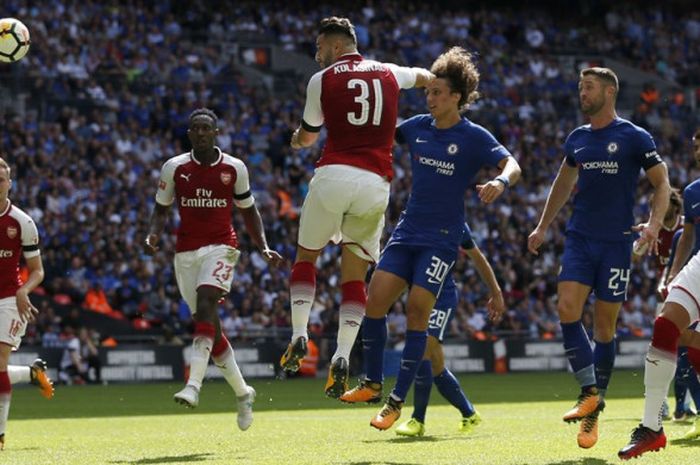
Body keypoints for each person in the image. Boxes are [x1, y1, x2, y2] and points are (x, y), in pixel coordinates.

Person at [340, 46, 520, 431]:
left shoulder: (473, 136)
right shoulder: (417, 126)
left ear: (456, 96)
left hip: (441, 239)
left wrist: (500, 181)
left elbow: (512, 164)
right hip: (406, 232)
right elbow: (377, 133)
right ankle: (372, 383)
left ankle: (396, 403)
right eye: (428, 92)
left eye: (438, 92)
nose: (431, 98)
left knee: (417, 312)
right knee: (374, 302)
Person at [279, 16, 435, 399]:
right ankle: (343, 355)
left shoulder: (322, 80)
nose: (317, 55)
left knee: (307, 256)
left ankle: (300, 333)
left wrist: (297, 141)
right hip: (375, 184)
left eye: (319, 47)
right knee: (354, 277)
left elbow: (310, 134)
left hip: (334, 175)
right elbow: (427, 77)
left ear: (335, 45)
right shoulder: (389, 72)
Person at [527, 67, 671, 449]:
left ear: (609, 92)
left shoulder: (634, 136)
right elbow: (563, 182)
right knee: (567, 308)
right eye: (580, 86)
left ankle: (591, 416)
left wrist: (655, 225)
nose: (582, 92)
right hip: (579, 238)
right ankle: (589, 391)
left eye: (588, 87)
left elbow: (662, 182)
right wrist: (543, 226)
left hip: (616, 244)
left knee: (604, 328)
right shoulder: (577, 139)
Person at [145, 108, 283, 431]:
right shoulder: (174, 168)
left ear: (216, 132)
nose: (202, 132)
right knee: (211, 329)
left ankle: (193, 385)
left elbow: (249, 212)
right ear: (189, 134)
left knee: (207, 304)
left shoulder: (234, 169)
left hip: (223, 247)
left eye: (207, 127)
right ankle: (243, 392)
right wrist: (153, 234)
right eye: (196, 128)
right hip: (186, 253)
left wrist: (262, 245)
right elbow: (161, 210)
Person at [394, 223, 504, 437]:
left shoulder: (456, 223)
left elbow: (478, 257)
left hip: (442, 297)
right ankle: (469, 412)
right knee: (436, 366)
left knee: (423, 351)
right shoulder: (412, 218)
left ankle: (418, 420)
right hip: (420, 296)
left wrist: (495, 291)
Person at [0, 157, 48, 449]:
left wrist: (24, 290)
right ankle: (32, 373)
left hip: (8, 299)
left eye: (1, 179)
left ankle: (0, 434)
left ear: (9, 183)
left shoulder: (22, 221)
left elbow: (38, 270)